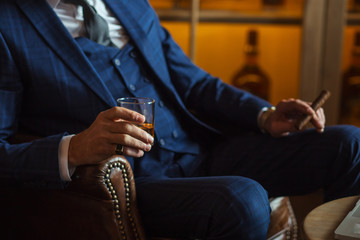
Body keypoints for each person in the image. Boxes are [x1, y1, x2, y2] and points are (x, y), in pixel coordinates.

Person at [1, 0, 360, 239]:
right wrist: (75, 147)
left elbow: (193, 81)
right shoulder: (7, 23)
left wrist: (264, 115)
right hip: (137, 184)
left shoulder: (127, 2)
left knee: (349, 143)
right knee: (243, 198)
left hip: (199, 150)